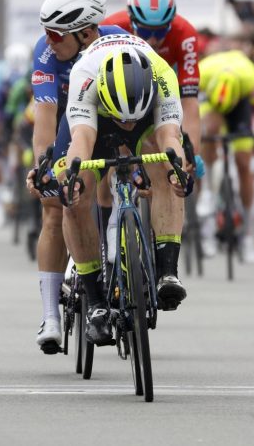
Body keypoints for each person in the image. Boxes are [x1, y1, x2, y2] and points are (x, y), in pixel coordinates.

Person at [55, 35, 190, 345]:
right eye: (123, 120)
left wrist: (177, 172)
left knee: (168, 170)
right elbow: (82, 140)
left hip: (148, 121)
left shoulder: (163, 75)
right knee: (75, 197)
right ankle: (96, 302)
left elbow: (170, 138)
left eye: (131, 120)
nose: (126, 125)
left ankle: (168, 272)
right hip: (97, 121)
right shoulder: (85, 77)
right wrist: (73, 180)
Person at [25, 0, 127, 354]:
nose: (49, 41)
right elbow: (46, 119)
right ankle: (50, 316)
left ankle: (121, 241)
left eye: (56, 34)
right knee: (55, 204)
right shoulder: (45, 54)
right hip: (72, 120)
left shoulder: (117, 41)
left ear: (84, 32)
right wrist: (43, 166)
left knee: (124, 173)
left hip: (113, 117)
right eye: (46, 33)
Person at [102, 0, 202, 151]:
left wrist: (193, 152)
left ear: (170, 24)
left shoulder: (185, 34)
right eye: (145, 32)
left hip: (159, 86)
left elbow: (189, 101)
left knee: (162, 145)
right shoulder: (110, 28)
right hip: (120, 89)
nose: (152, 40)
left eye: (161, 31)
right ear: (131, 23)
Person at [195, 50, 254, 262]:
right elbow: (186, 111)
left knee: (243, 164)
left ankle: (248, 234)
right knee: (208, 131)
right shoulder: (202, 73)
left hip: (240, 105)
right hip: (211, 101)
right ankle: (207, 189)